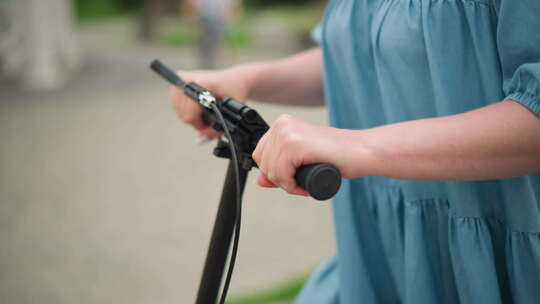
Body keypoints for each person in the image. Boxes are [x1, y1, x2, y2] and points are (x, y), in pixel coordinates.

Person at [170, 1, 540, 303]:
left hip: (493, 255)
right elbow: (358, 53)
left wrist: (358, 146)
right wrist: (247, 79)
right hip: (377, 249)